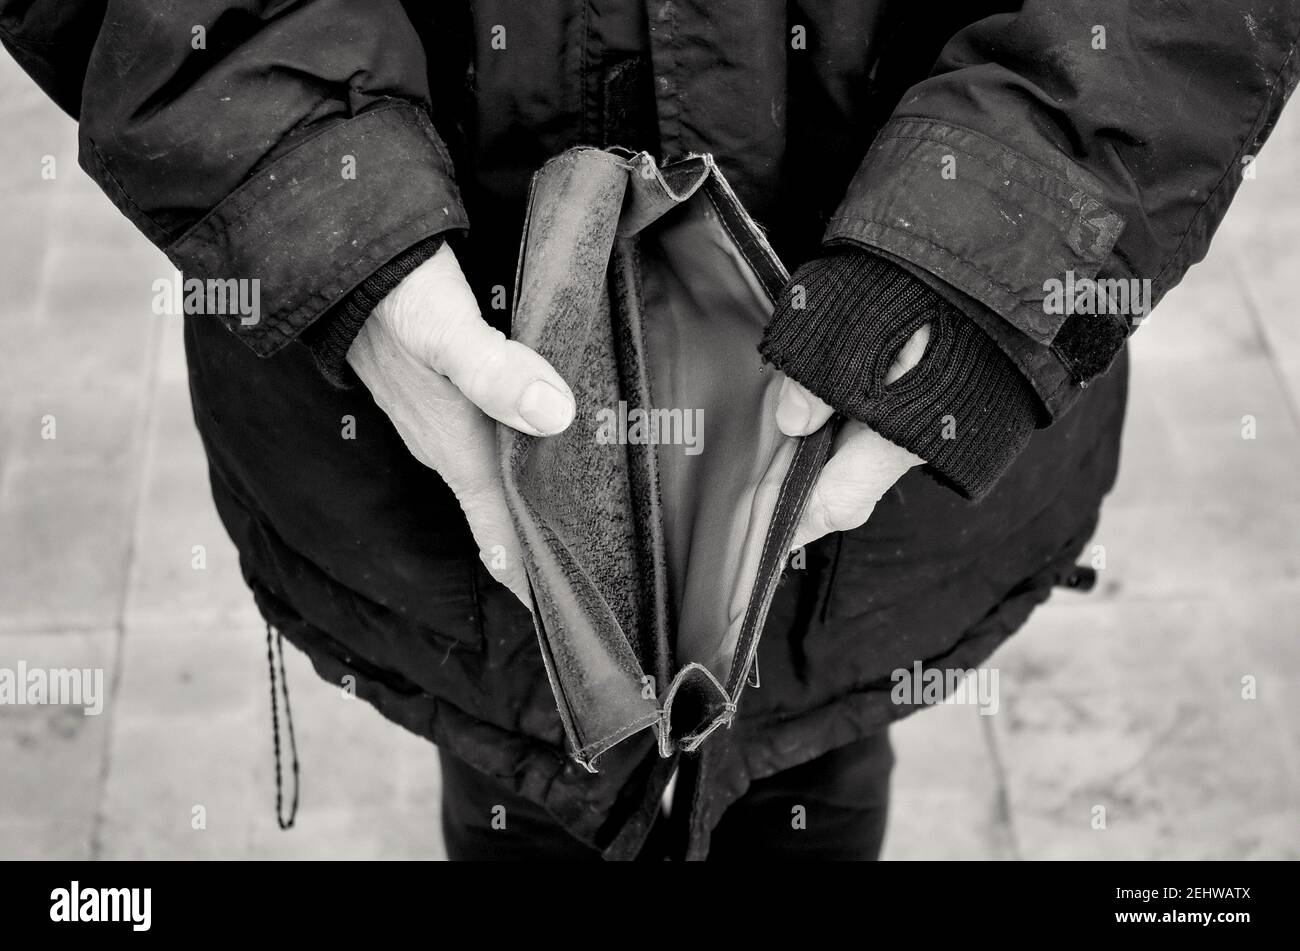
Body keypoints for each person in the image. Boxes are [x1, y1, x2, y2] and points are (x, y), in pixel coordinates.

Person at [3, 1, 1295, 860]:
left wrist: (1002, 240)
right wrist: (321, 210)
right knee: (527, 765)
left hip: (875, 422)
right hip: (432, 406)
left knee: (815, 751)